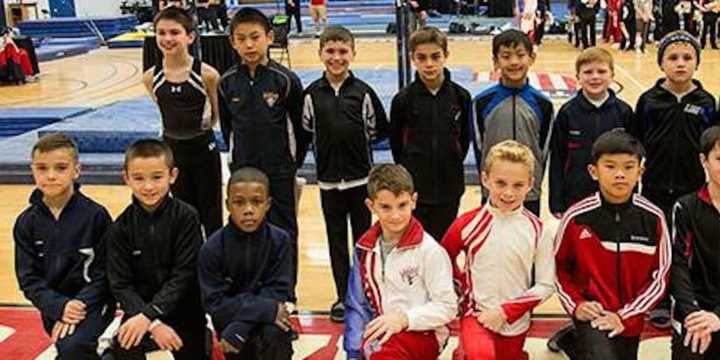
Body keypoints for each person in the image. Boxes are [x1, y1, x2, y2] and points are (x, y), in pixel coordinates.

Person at [219, 7, 311, 303]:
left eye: (255, 37)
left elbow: (301, 129)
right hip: (243, 173)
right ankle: (250, 295)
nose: (249, 45)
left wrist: (289, 165)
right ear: (232, 42)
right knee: (246, 232)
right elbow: (228, 127)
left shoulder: (285, 80)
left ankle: (285, 299)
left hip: (280, 171)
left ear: (269, 37)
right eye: (241, 38)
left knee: (284, 234)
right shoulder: (226, 82)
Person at [555, 129, 671, 360]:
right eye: (610, 166)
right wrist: (577, 305)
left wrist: (625, 316)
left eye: (628, 167)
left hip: (630, 317)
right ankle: (580, 335)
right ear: (593, 171)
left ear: (640, 171)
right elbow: (558, 269)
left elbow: (661, 276)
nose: (620, 174)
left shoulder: (653, 217)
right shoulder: (576, 217)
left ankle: (571, 340)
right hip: (592, 313)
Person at [302, 25, 389, 322]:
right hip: (327, 183)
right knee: (336, 242)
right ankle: (342, 296)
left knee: (363, 242)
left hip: (360, 182)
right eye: (330, 51)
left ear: (353, 53)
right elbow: (307, 130)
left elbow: (378, 129)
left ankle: (365, 291)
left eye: (342, 51)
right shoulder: (312, 94)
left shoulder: (363, 92)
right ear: (320, 53)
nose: (336, 57)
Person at [442, 140, 555, 360]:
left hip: (516, 322)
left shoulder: (539, 230)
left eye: (518, 185)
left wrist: (506, 311)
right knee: (482, 356)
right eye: (500, 183)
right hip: (477, 314)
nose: (508, 193)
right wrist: (462, 286)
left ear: (531, 184)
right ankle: (468, 349)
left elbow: (546, 284)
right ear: (485, 179)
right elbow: (442, 257)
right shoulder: (467, 223)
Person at [14, 133, 115, 359]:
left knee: (72, 347)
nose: (50, 176)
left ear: (76, 170)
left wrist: (78, 304)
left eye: (60, 168)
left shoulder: (96, 216)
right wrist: (59, 307)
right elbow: (28, 279)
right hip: (54, 306)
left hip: (93, 302)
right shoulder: (26, 223)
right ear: (32, 170)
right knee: (69, 345)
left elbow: (107, 272)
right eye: (42, 168)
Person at [107, 139, 208, 359]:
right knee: (125, 349)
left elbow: (185, 274)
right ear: (126, 178)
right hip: (139, 310)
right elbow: (120, 284)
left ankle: (204, 336)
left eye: (157, 177)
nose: (148, 186)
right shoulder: (120, 227)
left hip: (184, 309)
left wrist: (152, 314)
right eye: (139, 178)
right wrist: (150, 321)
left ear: (172, 175)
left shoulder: (187, 217)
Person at [343, 164, 457, 360]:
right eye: (386, 207)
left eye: (402, 205)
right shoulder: (364, 249)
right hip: (382, 331)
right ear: (371, 206)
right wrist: (354, 352)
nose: (395, 215)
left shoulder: (430, 251)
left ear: (413, 201)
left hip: (423, 332)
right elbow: (357, 305)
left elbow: (447, 308)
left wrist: (404, 319)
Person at [143, 6, 223, 237]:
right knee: (180, 213)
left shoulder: (207, 75)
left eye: (174, 32)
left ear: (190, 36)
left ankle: (214, 266)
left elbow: (215, 115)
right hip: (172, 152)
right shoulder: (150, 78)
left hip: (203, 151)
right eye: (162, 33)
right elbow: (164, 110)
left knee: (211, 214)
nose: (168, 38)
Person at [198, 167, 294, 359]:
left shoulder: (280, 240)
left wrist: (240, 327)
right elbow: (214, 303)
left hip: (258, 323)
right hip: (230, 323)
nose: (248, 210)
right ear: (228, 205)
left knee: (277, 333)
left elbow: (280, 289)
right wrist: (263, 309)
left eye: (257, 202)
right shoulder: (211, 248)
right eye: (239, 203)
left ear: (268, 204)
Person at [390, 26, 472, 242]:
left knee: (445, 246)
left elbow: (464, 139)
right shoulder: (402, 100)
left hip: (450, 187)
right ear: (412, 59)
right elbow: (397, 146)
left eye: (435, 57)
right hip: (416, 190)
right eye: (422, 57)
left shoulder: (461, 97)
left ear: (446, 55)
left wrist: (451, 160)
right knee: (416, 245)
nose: (429, 64)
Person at [472, 29, 553, 216]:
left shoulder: (543, 104)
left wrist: (533, 186)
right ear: (496, 62)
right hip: (494, 192)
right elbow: (479, 149)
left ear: (531, 58)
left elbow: (543, 151)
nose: (514, 62)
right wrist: (488, 187)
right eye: (506, 56)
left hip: (528, 194)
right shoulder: (482, 102)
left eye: (520, 55)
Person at [549, 47, 633, 217]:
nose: (595, 77)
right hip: (576, 196)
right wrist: (556, 201)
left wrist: (633, 192)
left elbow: (634, 158)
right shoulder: (567, 112)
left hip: (616, 196)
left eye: (601, 71)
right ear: (578, 77)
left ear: (612, 76)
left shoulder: (624, 112)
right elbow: (557, 159)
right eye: (588, 72)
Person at [670, 126, 720, 359]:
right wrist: (694, 314)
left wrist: (718, 317)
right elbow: (678, 265)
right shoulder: (685, 208)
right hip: (694, 312)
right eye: (719, 158)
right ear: (704, 160)